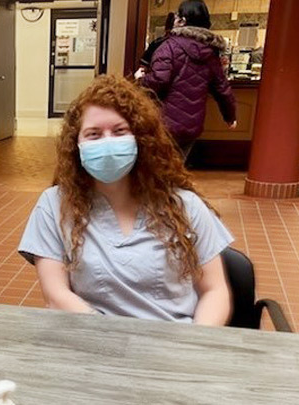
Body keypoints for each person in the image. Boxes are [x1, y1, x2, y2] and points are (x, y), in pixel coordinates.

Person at [18, 75, 233, 326]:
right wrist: (110, 341)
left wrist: (193, 346)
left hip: (174, 343)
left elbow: (214, 290)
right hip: (92, 340)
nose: (108, 142)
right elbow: (56, 296)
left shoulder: (185, 206)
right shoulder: (54, 205)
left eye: (120, 131)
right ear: (75, 145)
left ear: (141, 139)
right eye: (93, 134)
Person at [136, 0, 236, 158]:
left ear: (182, 21)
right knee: (177, 167)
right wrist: (230, 116)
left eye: (176, 16)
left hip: (164, 122)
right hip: (191, 125)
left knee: (158, 169)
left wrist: (141, 79)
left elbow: (159, 80)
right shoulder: (211, 53)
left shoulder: (168, 47)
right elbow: (222, 88)